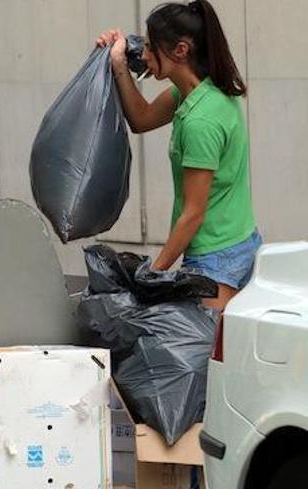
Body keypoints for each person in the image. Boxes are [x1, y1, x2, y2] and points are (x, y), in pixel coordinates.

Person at [97, 0, 259, 310]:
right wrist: (118, 63)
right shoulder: (200, 92)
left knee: (202, 356)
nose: (143, 56)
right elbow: (141, 119)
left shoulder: (201, 121)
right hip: (239, 241)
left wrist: (154, 276)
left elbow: (193, 214)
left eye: (149, 47)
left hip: (216, 260)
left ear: (181, 51)